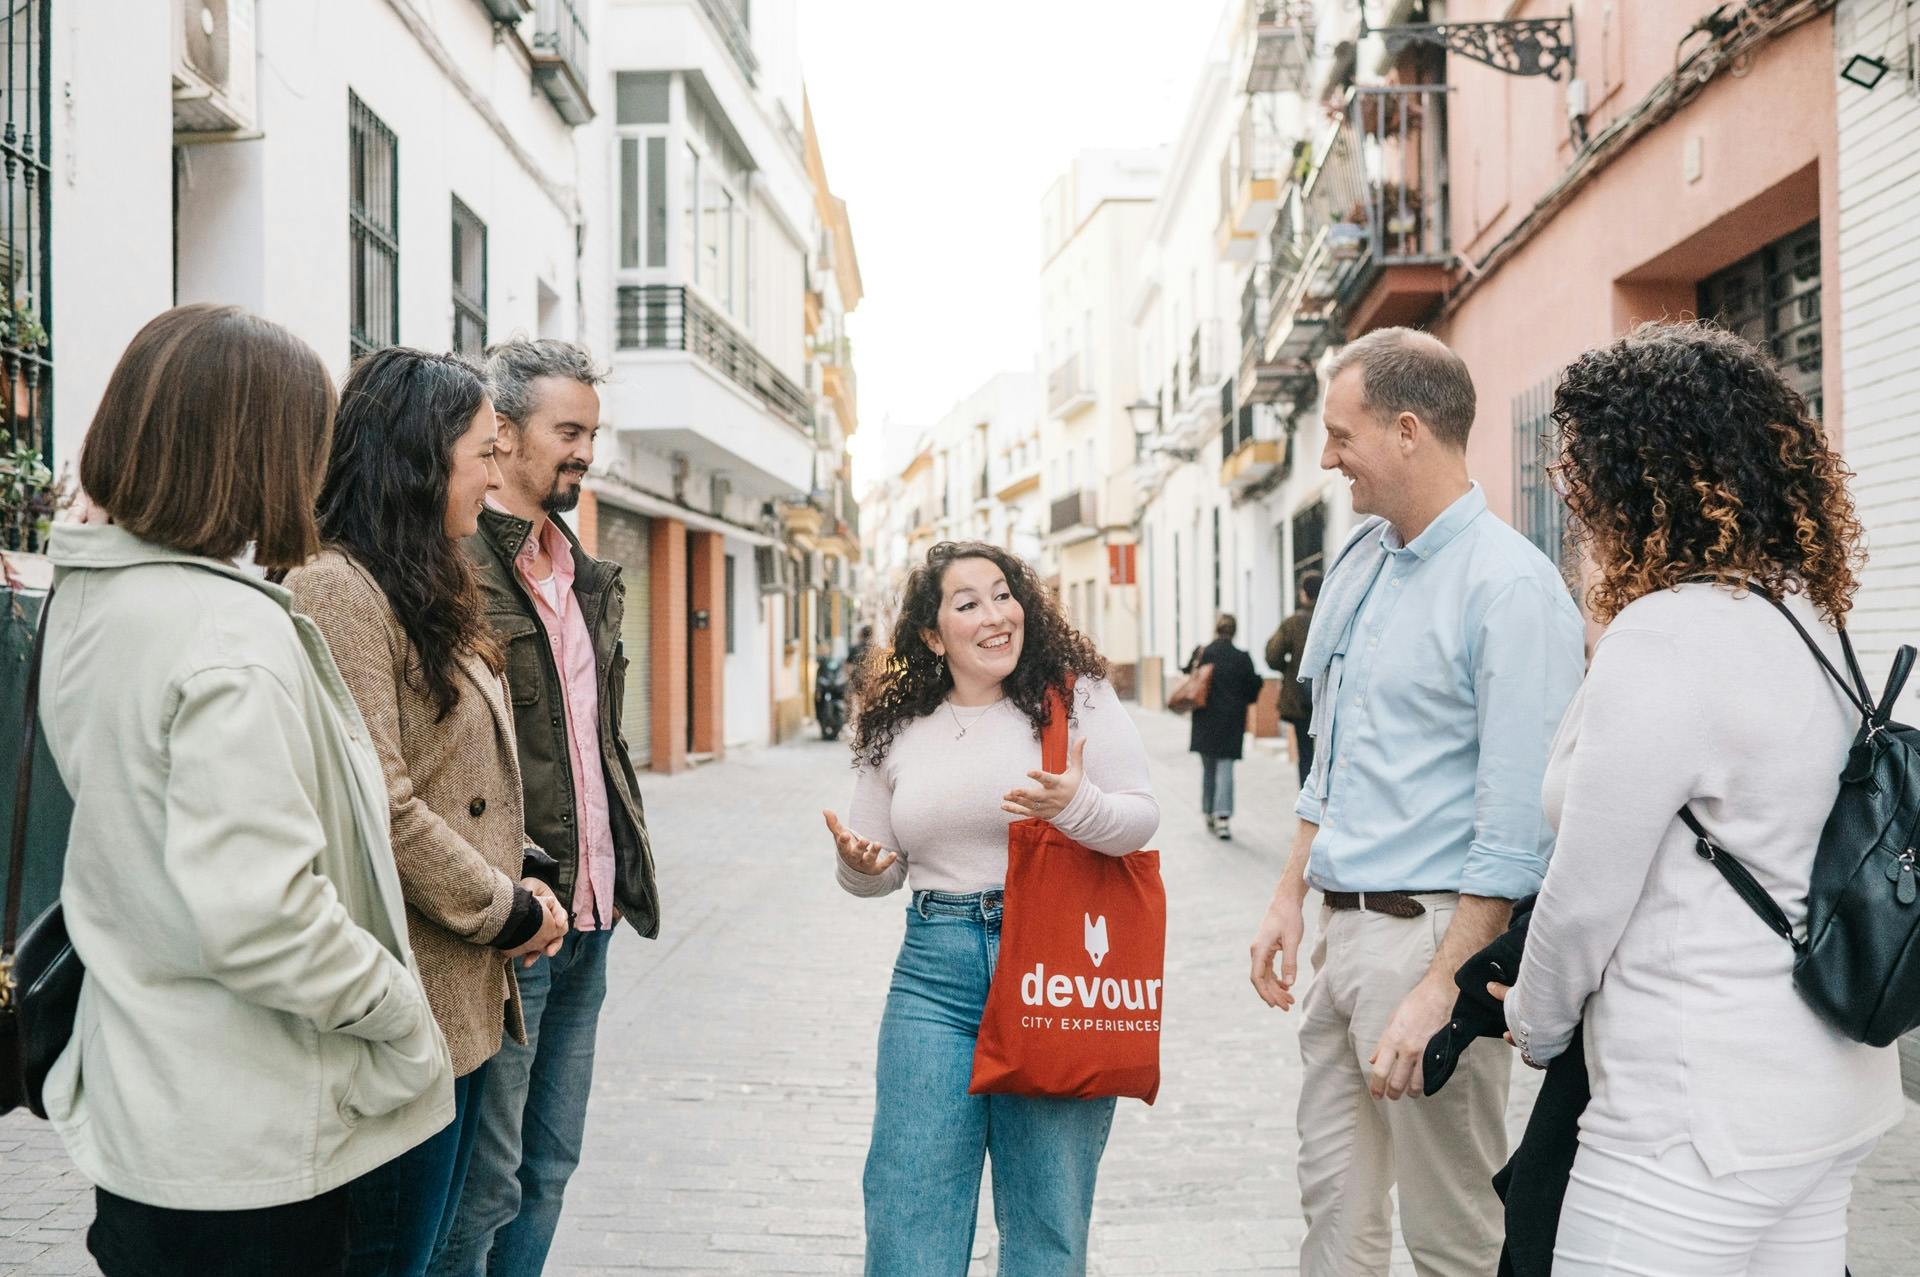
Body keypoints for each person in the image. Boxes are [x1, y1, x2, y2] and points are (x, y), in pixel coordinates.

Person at [37, 305, 451, 1276]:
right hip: (248, 1137)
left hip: (148, 1111)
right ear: (262, 451)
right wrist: (398, 1008)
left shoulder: (97, 597)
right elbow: (263, 913)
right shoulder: (229, 636)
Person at [1498, 322, 1904, 1275]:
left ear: (1641, 482)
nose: (1571, 495)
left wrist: (1535, 1021)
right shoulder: (1810, 616)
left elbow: (1585, 896)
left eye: (1582, 471)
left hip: (1692, 1122)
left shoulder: (1670, 635)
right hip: (1827, 1091)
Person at [1246, 327, 1585, 1276]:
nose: (1325, 457)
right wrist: (1287, 893)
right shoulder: (1360, 560)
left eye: (1339, 433)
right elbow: (1332, 754)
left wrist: (1443, 986)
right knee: (1335, 1221)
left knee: (1453, 1240)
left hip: (1434, 939)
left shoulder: (1514, 590)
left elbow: (1519, 826)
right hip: (1341, 939)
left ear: (1405, 431)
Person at [287, 348, 569, 1277]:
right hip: (407, 990)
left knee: (458, 1222)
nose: (496, 476)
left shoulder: (430, 576)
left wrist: (526, 860)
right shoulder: (335, 586)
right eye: (482, 453)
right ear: (418, 456)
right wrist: (508, 905)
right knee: (393, 1256)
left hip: (463, 985)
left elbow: (460, 768)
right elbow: (378, 794)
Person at [822, 540, 1159, 1276]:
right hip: (933, 973)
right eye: (967, 602)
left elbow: (1138, 819)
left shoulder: (1077, 697)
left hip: (1054, 969)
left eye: (1003, 593)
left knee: (1047, 1215)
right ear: (934, 635)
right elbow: (878, 867)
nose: (995, 614)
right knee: (907, 1201)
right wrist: (859, 866)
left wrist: (1076, 806)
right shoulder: (895, 726)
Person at [437, 338, 661, 1277]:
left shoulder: (582, 573)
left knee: (550, 1165)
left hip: (592, 917)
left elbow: (592, 744)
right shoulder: (454, 572)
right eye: (568, 431)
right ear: (503, 431)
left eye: (591, 433)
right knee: (483, 1182)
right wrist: (511, 890)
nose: (584, 453)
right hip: (516, 927)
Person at [1183, 613, 1264, 840]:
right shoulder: (1241, 658)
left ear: (1215, 629)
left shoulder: (1204, 652)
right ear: (1234, 631)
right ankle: (1223, 819)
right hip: (1230, 722)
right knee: (1225, 770)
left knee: (1208, 769)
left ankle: (1208, 812)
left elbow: (1187, 672)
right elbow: (1252, 689)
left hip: (1205, 721)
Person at [1266, 571, 1322, 786]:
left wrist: (1288, 669)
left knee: (1305, 754)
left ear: (1304, 594)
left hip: (1301, 700)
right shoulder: (1336, 618)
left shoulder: (1293, 623)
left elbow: (1272, 656)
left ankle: (1308, 803)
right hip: (1332, 697)